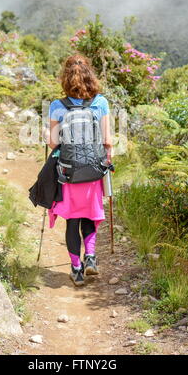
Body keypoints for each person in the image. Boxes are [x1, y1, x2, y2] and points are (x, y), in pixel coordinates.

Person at [47, 54, 112, 287]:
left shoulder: (57, 105)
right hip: (93, 170)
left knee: (72, 221)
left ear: (65, 77)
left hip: (68, 172)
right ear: (90, 75)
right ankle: (91, 256)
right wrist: (108, 162)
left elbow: (54, 143)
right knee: (90, 215)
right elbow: (107, 139)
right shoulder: (100, 102)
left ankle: (76, 270)